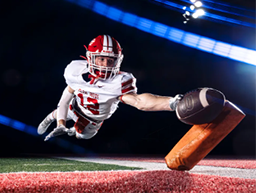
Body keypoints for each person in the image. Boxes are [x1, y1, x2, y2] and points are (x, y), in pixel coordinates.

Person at [37, 35, 182, 141]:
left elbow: (139, 102)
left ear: (117, 61)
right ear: (91, 58)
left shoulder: (118, 82)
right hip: (74, 106)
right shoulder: (75, 70)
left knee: (82, 136)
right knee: (61, 112)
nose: (105, 64)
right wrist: (60, 123)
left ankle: (72, 129)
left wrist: (171, 103)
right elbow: (64, 100)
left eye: (110, 60)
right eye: (101, 59)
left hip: (93, 120)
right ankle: (50, 118)